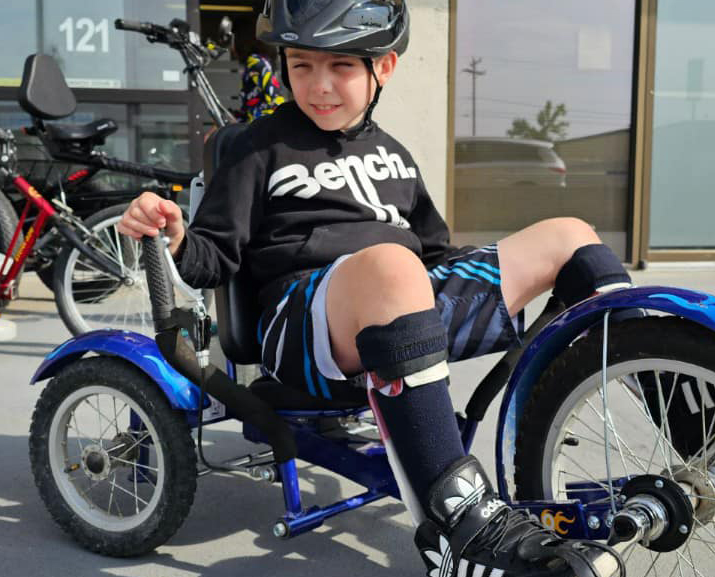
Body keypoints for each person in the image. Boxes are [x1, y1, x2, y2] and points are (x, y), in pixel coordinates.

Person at [118, 1, 629, 575]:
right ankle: (457, 525)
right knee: (390, 264)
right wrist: (177, 235)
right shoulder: (255, 147)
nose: (318, 85)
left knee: (571, 234)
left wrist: (500, 275)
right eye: (302, 65)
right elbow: (212, 260)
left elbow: (436, 255)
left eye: (340, 66)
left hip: (400, 303)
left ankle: (684, 418)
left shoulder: (393, 155)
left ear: (382, 68)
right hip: (301, 323)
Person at [230, 12, 285, 123]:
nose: (232, 43)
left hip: (262, 131)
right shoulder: (256, 62)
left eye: (234, 37)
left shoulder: (255, 62)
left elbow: (274, 99)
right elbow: (249, 107)